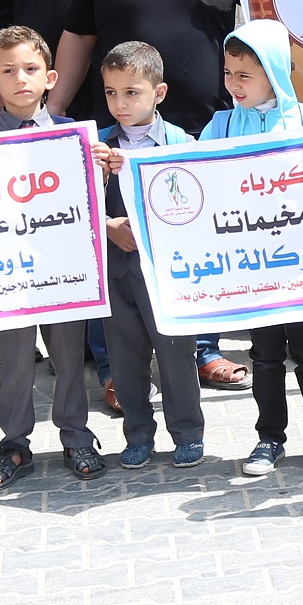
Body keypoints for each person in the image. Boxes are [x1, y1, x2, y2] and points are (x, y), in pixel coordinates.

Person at [52, 0, 246, 390]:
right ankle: (119, 370)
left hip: (201, 132)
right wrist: (55, 109)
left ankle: (203, 350)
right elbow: (78, 36)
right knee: (119, 251)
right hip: (121, 140)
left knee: (196, 243)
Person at [0, 28, 116, 483]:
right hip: (6, 273)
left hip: (63, 269)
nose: (21, 79)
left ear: (50, 77)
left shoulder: (76, 138)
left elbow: (89, 204)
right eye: (8, 71)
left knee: (69, 358)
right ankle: (13, 444)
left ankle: (76, 436)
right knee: (14, 363)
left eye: (31, 69)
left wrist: (102, 173)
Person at [203, 21, 303, 478]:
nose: (233, 84)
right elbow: (193, 177)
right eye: (228, 73)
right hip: (251, 267)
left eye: (245, 75)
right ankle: (269, 438)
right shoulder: (221, 125)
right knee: (264, 355)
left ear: (275, 72)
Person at [89, 40, 203, 472]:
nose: (120, 104)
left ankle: (188, 434)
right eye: (110, 93)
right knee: (125, 357)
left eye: (131, 92)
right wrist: (107, 222)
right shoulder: (96, 146)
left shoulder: (181, 142)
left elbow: (196, 205)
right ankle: (137, 435)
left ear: (159, 93)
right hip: (117, 270)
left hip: (166, 272)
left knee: (176, 354)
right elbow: (76, 206)